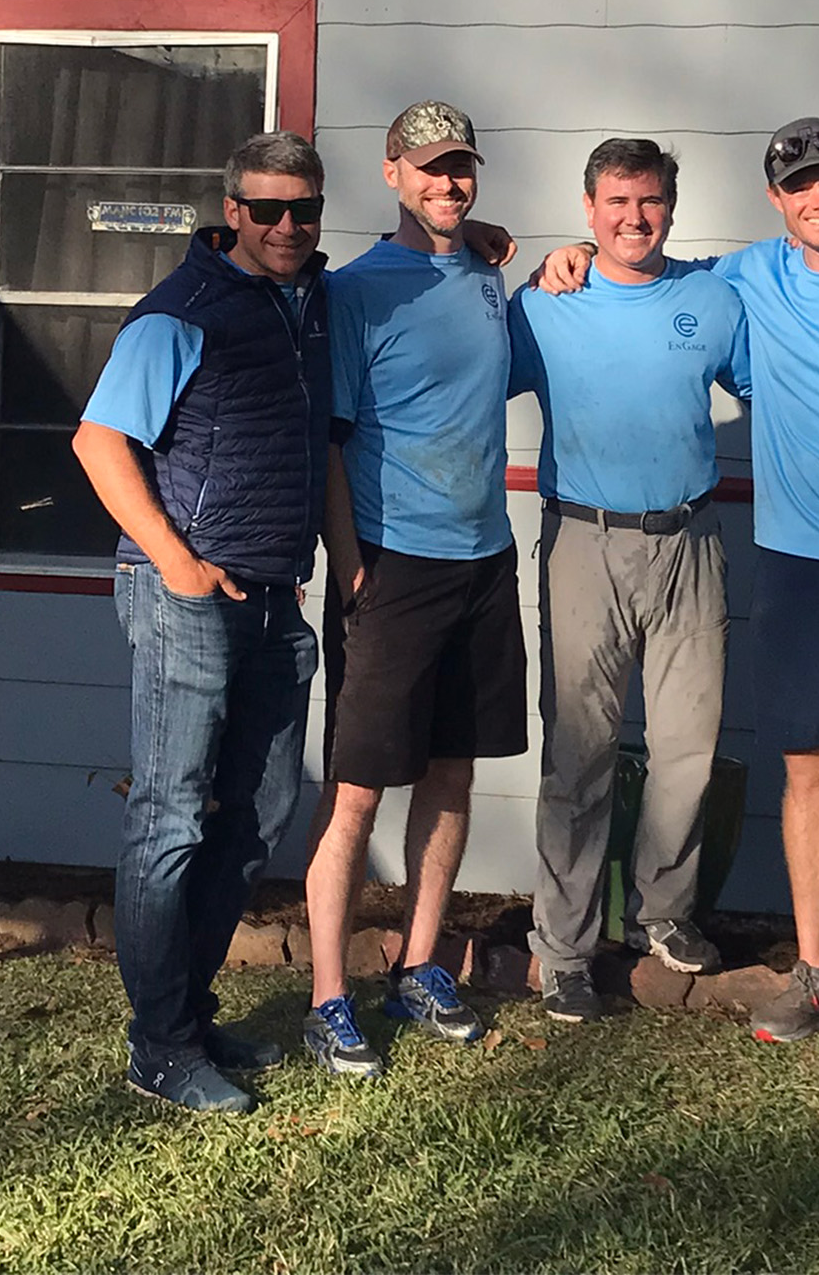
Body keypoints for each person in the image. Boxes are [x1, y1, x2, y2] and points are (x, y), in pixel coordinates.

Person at [541, 117, 819, 1065]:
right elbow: (634, 268)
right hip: (786, 559)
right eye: (800, 186)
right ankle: (813, 971)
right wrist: (557, 255)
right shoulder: (745, 278)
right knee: (804, 770)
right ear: (776, 201)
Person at [71, 129, 332, 1116]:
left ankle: (188, 1010)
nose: (284, 227)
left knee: (258, 816)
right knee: (172, 820)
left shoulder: (310, 300)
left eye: (301, 209)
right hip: (184, 594)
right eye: (264, 209)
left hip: (272, 599)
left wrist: (479, 236)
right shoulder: (182, 311)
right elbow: (99, 444)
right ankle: (159, 1045)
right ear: (233, 211)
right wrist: (179, 565)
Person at [305, 100, 525, 1078]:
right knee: (356, 793)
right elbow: (332, 443)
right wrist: (351, 566)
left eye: (460, 169)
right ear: (392, 173)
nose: (448, 184)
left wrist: (542, 262)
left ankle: (421, 963)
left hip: (484, 560)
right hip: (393, 566)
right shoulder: (358, 293)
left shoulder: (485, 273)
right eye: (429, 168)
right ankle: (326, 997)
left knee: (452, 772)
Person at [509, 138, 750, 1025]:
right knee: (581, 753)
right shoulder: (543, 305)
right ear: (588, 208)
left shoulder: (713, 301)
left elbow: (779, 385)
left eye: (649, 202)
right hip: (586, 541)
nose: (633, 219)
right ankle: (564, 952)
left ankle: (666, 913)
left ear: (672, 208)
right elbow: (459, 390)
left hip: (688, 539)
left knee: (688, 747)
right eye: (616, 202)